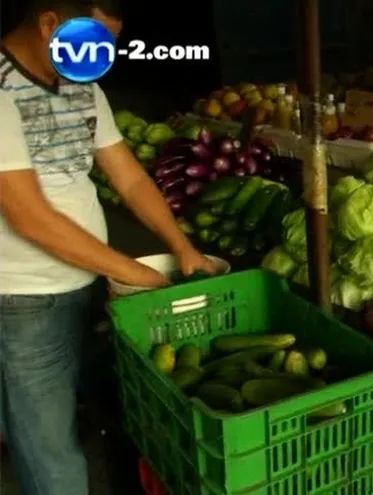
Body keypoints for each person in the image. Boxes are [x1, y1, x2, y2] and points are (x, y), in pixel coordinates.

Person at [0, 0, 216, 493]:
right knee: (50, 455)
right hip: (22, 300)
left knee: (97, 416)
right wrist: (136, 271)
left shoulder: (83, 86)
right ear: (50, 23)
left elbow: (130, 178)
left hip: (88, 281)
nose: (97, 57)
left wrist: (180, 246)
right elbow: (28, 216)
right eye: (91, 42)